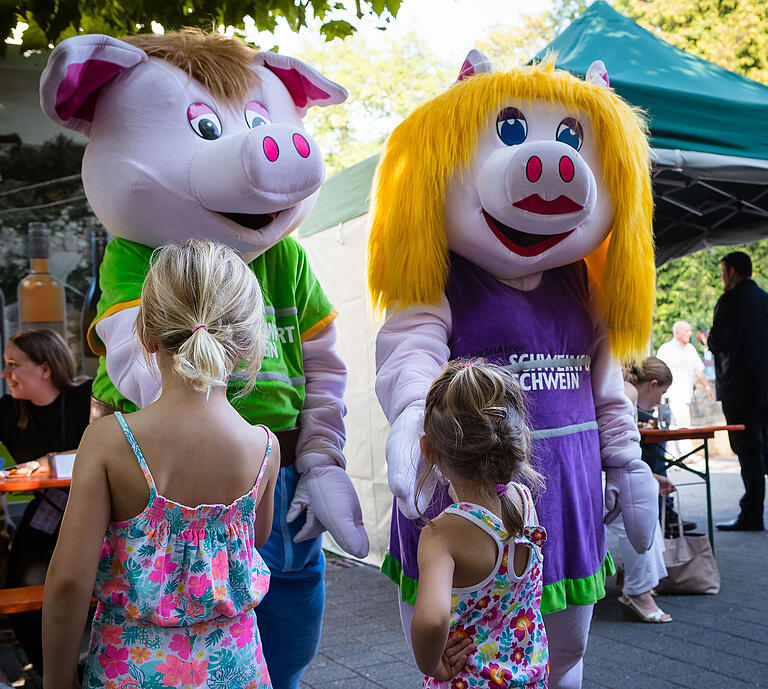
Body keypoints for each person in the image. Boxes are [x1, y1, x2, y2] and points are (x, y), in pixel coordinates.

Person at [42, 240, 280, 689]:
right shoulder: (264, 448)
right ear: (248, 344)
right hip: (236, 669)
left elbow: (69, 580)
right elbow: (255, 537)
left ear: (146, 334)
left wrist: (57, 681)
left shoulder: (111, 443)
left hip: (131, 673)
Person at [411, 360, 548, 688]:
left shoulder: (442, 535)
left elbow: (431, 620)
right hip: (529, 675)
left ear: (428, 449)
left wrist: (433, 665)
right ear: (522, 443)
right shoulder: (524, 503)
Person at [0, 328, 92, 671]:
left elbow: (115, 447)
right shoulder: (10, 411)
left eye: (13, 364)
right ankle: (47, 671)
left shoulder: (87, 397)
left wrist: (49, 462)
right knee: (19, 586)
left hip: (98, 511)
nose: (6, 374)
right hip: (49, 510)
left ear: (44, 368)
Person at [610, 359, 677, 624]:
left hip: (604, 472)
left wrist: (649, 476)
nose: (660, 400)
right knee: (636, 508)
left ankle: (641, 587)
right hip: (602, 476)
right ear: (652, 384)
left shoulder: (622, 388)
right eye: (661, 393)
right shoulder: (627, 392)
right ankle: (639, 590)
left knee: (643, 497)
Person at [708, 251, 768, 531]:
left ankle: (752, 515)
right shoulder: (765, 299)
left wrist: (708, 339)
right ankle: (753, 510)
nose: (722, 278)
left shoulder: (731, 300)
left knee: (748, 452)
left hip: (740, 391)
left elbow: (719, 342)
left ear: (731, 271)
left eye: (722, 273)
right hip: (765, 388)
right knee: (762, 450)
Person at [656, 321, 715, 457]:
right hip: (672, 393)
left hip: (685, 393)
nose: (690, 333)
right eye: (686, 331)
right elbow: (659, 372)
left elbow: (698, 370)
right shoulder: (666, 349)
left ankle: (676, 456)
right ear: (677, 332)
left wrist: (707, 387)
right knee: (678, 424)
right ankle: (682, 455)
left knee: (680, 424)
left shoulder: (690, 349)